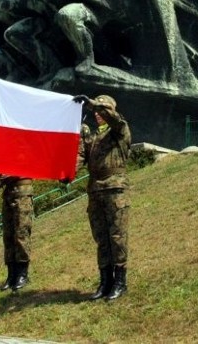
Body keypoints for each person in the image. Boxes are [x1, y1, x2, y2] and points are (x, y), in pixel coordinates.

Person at [72, 93, 131, 300]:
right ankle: (105, 281)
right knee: (102, 238)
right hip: (95, 190)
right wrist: (68, 173)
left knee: (117, 236)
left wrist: (95, 104)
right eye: (96, 111)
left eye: (102, 110)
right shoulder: (93, 136)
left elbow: (114, 119)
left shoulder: (120, 129)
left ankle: (120, 282)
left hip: (115, 189)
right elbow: (81, 156)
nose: (98, 114)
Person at [0, 175, 34, 290]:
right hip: (9, 193)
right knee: (8, 235)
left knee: (21, 233)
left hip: (22, 192)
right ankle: (11, 274)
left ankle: (22, 274)